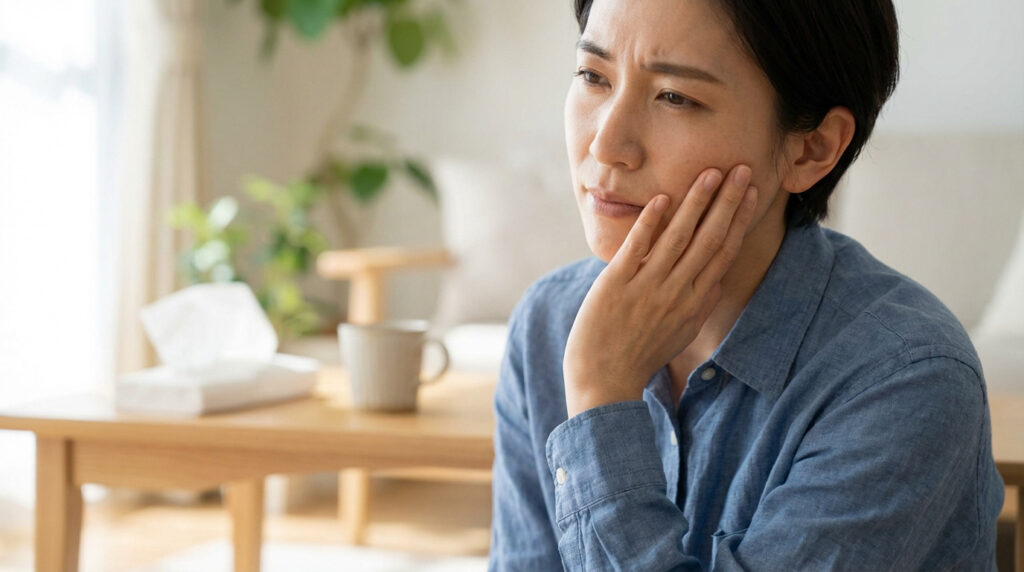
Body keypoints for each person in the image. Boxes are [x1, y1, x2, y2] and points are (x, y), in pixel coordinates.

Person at [487, 0, 1005, 570]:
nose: (606, 146)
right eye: (593, 76)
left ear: (812, 148)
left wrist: (599, 397)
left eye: (676, 97)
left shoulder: (908, 378)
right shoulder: (548, 323)